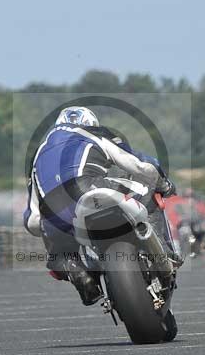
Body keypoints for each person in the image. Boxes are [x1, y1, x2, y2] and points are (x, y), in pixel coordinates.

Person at [23, 106, 178, 305]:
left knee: (59, 255)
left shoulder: (36, 157)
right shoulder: (94, 133)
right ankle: (166, 256)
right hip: (87, 187)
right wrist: (164, 185)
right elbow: (140, 166)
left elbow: (32, 220)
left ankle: (78, 272)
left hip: (51, 211)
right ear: (90, 123)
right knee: (148, 189)